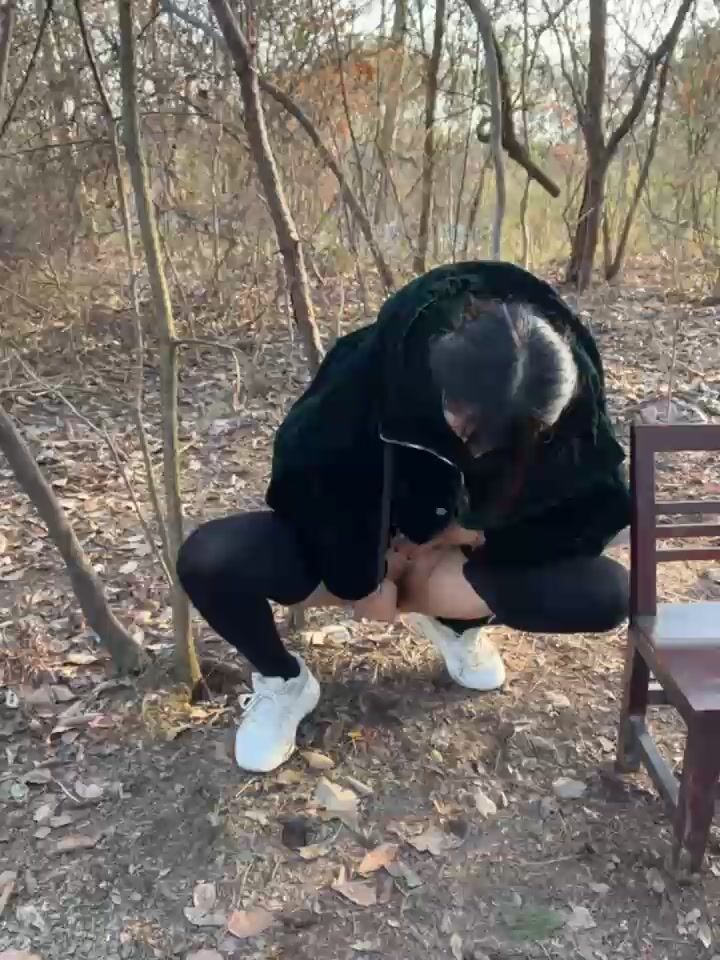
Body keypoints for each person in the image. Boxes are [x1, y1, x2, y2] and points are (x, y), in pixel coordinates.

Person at [177, 261, 630, 773]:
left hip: (452, 561)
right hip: (357, 542)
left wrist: (472, 530)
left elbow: (587, 509)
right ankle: (284, 681)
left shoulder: (562, 389)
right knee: (210, 559)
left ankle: (457, 622)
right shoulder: (376, 366)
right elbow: (307, 480)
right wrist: (365, 575)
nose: (475, 451)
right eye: (466, 429)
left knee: (604, 594)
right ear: (444, 380)